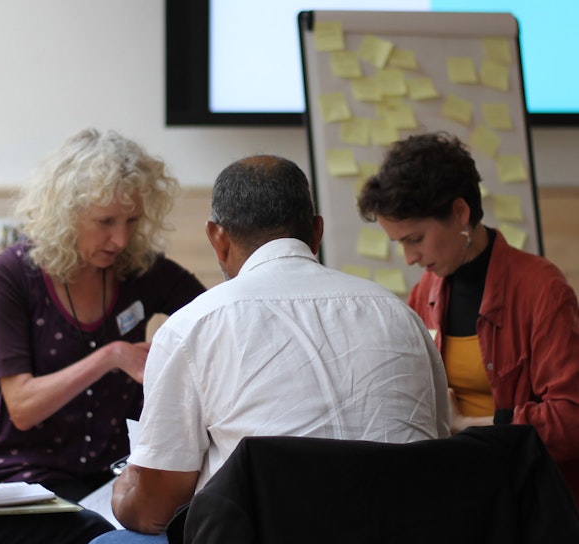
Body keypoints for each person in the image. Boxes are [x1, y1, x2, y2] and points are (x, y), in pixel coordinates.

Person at [90, 153, 450, 543]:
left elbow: (156, 510)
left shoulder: (193, 326)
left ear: (217, 237)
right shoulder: (401, 316)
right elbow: (436, 455)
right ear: (316, 232)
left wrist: (124, 494)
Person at [0, 128, 206, 542]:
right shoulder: (12, 275)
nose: (121, 239)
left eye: (132, 221)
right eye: (105, 222)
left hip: (114, 481)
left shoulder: (142, 269)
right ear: (66, 214)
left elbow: (219, 319)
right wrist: (111, 356)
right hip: (26, 480)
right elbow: (21, 406)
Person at [357, 131, 579, 506]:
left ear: (460, 213)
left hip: (528, 496)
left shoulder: (543, 289)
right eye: (400, 244)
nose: (409, 258)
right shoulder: (424, 293)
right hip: (459, 489)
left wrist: (470, 426)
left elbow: (570, 420)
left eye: (415, 238)